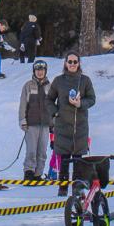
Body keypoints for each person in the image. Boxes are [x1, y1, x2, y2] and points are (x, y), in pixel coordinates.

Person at [47, 51, 96, 195]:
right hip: (63, 126)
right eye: (70, 62)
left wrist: (81, 103)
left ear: (79, 64)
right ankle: (62, 189)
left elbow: (92, 99)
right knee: (64, 160)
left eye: (75, 62)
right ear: (65, 63)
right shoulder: (58, 81)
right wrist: (55, 112)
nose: (72, 64)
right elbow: (48, 99)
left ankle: (77, 189)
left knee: (78, 161)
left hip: (79, 126)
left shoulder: (85, 80)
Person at [18, 60, 54, 181]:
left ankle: (38, 173)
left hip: (45, 124)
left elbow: (53, 105)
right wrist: (23, 121)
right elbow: (23, 104)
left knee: (42, 151)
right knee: (31, 150)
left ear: (45, 71)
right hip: (31, 124)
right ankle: (29, 172)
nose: (40, 72)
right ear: (34, 71)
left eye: (42, 70)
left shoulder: (49, 86)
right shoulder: (28, 86)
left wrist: (53, 122)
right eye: (38, 70)